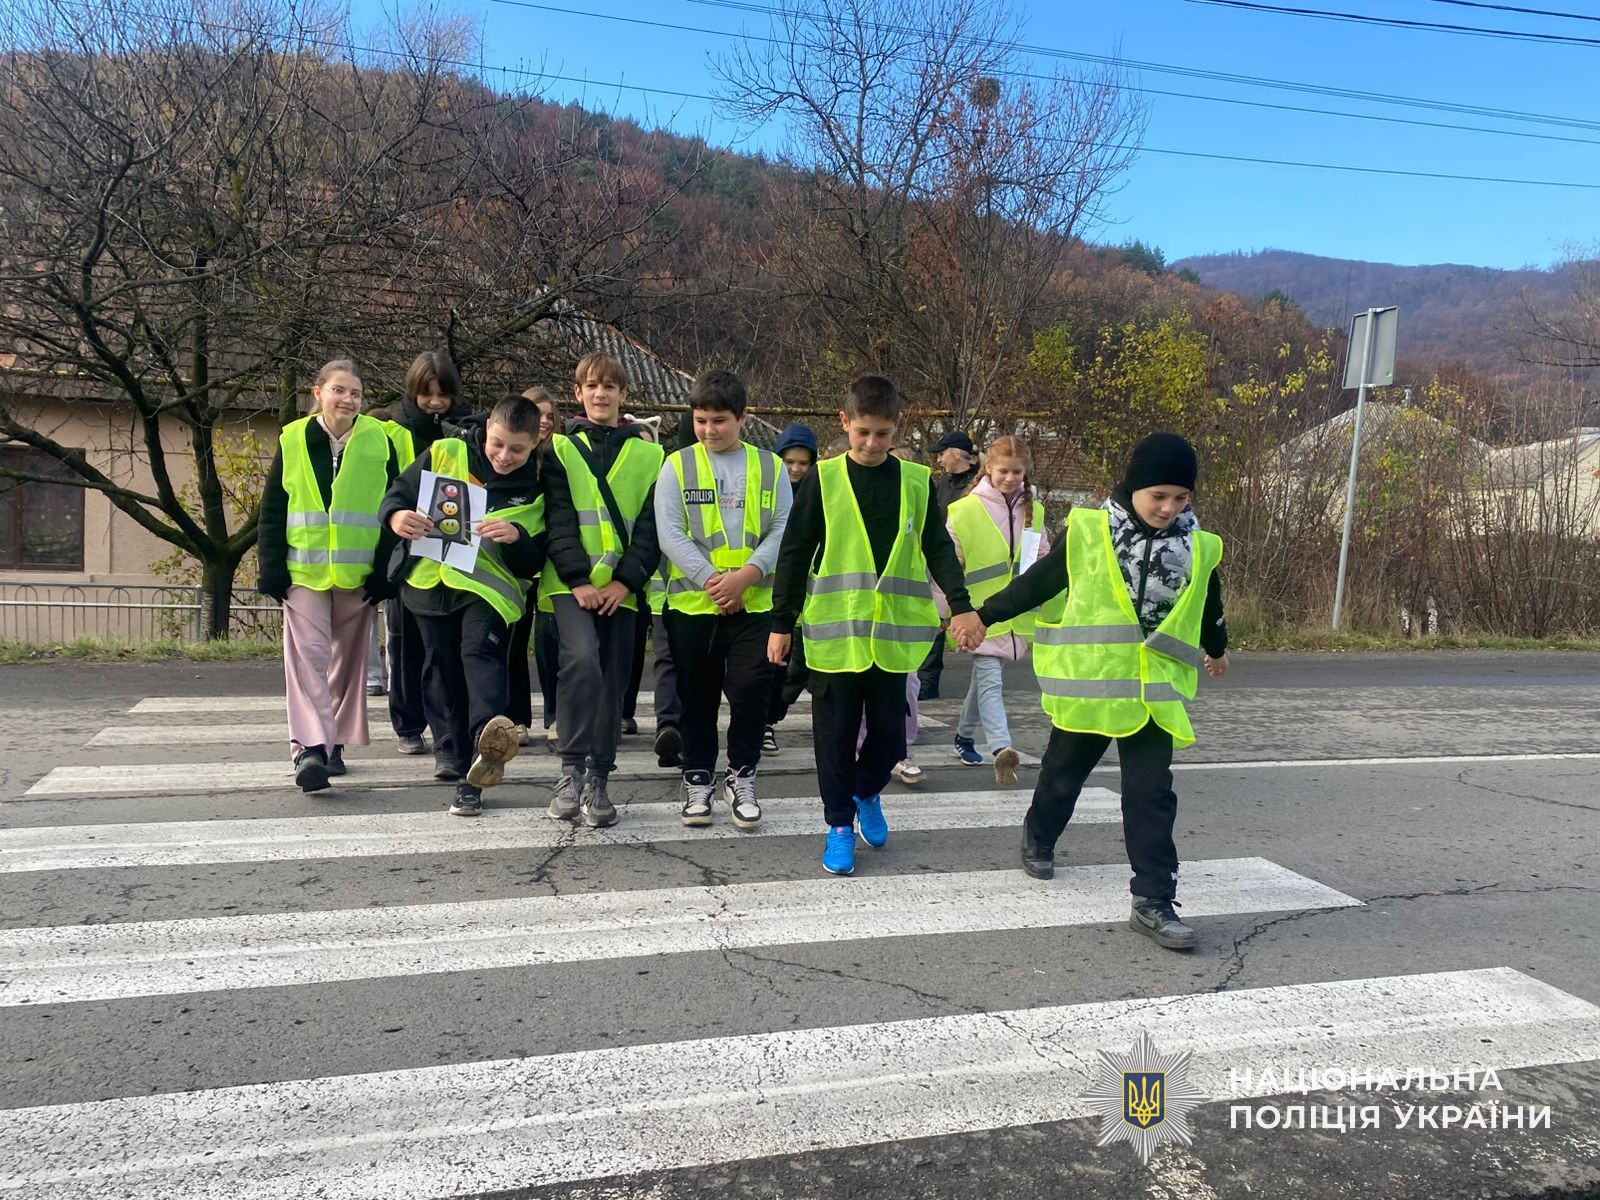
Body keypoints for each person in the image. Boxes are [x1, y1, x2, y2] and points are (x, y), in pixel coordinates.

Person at [958, 433, 1229, 952]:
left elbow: (1207, 602)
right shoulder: (1088, 531)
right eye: (1159, 497)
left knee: (1150, 795)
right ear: (1133, 489)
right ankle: (1038, 835)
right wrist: (981, 615)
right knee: (1063, 776)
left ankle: (1153, 900)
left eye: (1181, 498)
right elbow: (1036, 584)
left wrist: (1217, 648)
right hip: (1092, 685)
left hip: (1152, 693)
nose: (1169, 509)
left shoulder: (1199, 545)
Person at [769, 375, 982, 876]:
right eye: (861, 432)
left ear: (896, 429)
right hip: (834, 636)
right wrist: (781, 624)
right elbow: (794, 552)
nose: (870, 443)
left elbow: (937, 548)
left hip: (893, 639)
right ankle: (839, 823)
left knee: (891, 738)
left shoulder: (915, 481)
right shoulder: (824, 478)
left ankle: (866, 790)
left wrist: (962, 604)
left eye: (881, 434)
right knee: (835, 736)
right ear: (844, 424)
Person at [380, 395, 547, 817]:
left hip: (487, 592)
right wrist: (398, 517)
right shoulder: (446, 450)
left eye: (517, 449)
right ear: (486, 427)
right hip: (429, 584)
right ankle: (460, 769)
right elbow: (396, 495)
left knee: (480, 655)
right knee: (443, 672)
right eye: (498, 444)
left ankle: (488, 741)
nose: (505, 456)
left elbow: (535, 558)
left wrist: (518, 539)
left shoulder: (538, 481)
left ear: (535, 443)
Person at [258, 358, 400, 793]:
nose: (348, 399)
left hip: (358, 573)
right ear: (317, 393)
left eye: (355, 393)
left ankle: (333, 740)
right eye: (339, 390)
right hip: (304, 570)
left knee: (346, 663)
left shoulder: (380, 440)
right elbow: (273, 506)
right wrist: (272, 567)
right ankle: (311, 749)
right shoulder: (294, 438)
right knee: (308, 659)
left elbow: (394, 505)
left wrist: (384, 572)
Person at [656, 370, 790, 829]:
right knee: (697, 698)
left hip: (754, 606)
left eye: (719, 420)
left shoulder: (771, 466)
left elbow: (782, 529)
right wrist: (714, 580)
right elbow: (670, 533)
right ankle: (697, 779)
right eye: (700, 420)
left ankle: (741, 775)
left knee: (753, 692)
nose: (709, 430)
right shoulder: (676, 465)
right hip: (694, 607)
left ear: (743, 417)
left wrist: (747, 578)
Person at [539, 353, 664, 827]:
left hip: (622, 590)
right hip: (570, 588)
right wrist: (577, 579)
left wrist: (624, 581)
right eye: (592, 385)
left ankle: (600, 781)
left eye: (610, 387)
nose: (600, 394)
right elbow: (558, 518)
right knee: (582, 662)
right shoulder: (561, 450)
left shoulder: (652, 455)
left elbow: (652, 529)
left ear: (624, 396)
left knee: (613, 682)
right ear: (578, 393)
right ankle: (570, 770)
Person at [370, 350, 469, 766]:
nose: (434, 402)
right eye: (426, 394)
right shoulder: (390, 430)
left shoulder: (467, 429)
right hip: (404, 550)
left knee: (441, 651)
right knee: (403, 642)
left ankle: (448, 733)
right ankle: (408, 723)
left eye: (442, 394)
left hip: (452, 552)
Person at [943, 435, 1051, 787]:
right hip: (977, 615)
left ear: (1026, 472)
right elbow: (946, 566)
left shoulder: (1034, 509)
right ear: (988, 468)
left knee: (983, 682)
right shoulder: (964, 511)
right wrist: (946, 611)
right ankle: (1002, 748)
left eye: (1017, 472)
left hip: (1017, 615)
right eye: (1003, 470)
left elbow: (1045, 561)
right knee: (991, 681)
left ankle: (962, 736)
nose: (1010, 477)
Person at [505, 387, 559, 746]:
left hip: (553, 560)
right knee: (514, 641)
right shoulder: (510, 458)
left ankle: (556, 715)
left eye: (549, 417)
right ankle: (516, 718)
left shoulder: (561, 456)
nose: (543, 422)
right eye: (535, 415)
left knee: (551, 641)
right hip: (518, 563)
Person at [762, 423, 818, 756]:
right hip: (772, 593)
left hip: (810, 596)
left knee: (798, 669)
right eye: (789, 462)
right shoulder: (768, 492)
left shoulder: (817, 492)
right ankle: (763, 723)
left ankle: (771, 718)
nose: (796, 469)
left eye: (803, 463)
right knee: (772, 665)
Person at [918, 431, 980, 701]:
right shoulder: (943, 484)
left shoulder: (978, 485)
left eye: (942, 453)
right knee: (934, 618)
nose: (940, 459)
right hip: (939, 558)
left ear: (957, 453)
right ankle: (926, 683)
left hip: (967, 565)